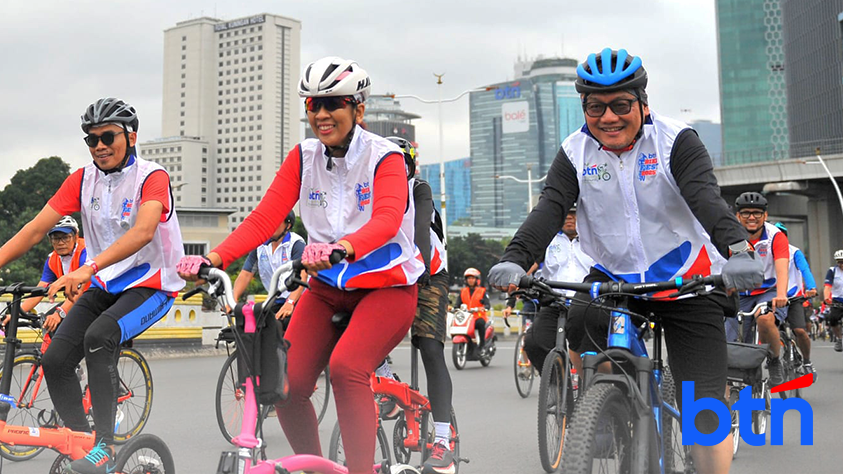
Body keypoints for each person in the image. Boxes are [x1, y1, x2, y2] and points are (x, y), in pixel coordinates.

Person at [488, 48, 763, 474]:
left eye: (621, 105)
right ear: (584, 109)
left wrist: (739, 251)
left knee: (704, 417)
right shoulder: (575, 152)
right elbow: (550, 208)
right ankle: (600, 408)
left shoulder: (676, 141)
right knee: (581, 320)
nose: (608, 118)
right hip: (614, 279)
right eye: (596, 107)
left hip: (687, 280)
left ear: (642, 103)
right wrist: (514, 259)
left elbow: (707, 200)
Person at [176, 57, 423, 474]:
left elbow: (386, 218)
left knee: (346, 370)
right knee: (286, 386)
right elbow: (263, 218)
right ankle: (317, 469)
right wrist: (213, 259)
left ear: (358, 109)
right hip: (326, 287)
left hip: (388, 286)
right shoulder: (304, 156)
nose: (322, 115)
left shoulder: (386, 157)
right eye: (313, 106)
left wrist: (343, 246)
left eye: (334, 104)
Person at [0, 97, 185, 474]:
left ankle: (105, 445)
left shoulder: (152, 177)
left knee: (99, 338)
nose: (99, 145)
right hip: (107, 283)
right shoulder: (83, 180)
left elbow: (144, 231)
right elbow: (35, 229)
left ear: (130, 137)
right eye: (91, 139)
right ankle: (81, 443)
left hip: (153, 285)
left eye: (107, 136)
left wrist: (89, 268)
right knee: (54, 360)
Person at [378, 136, 455, 474]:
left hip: (428, 274)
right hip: (390, 276)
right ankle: (386, 379)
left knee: (429, 347)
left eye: (400, 164)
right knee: (360, 331)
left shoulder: (418, 188)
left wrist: (421, 266)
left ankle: (442, 438)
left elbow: (421, 228)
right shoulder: (373, 191)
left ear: (409, 166)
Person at [521, 205, 594, 375]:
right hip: (554, 302)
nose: (569, 217)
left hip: (586, 304)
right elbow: (530, 262)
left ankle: (592, 387)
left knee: (590, 350)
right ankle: (557, 382)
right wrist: (515, 276)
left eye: (574, 213)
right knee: (533, 342)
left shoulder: (594, 239)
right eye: (565, 213)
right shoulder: (547, 240)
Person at [728, 192, 789, 387]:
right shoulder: (729, 235)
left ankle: (773, 359)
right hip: (739, 293)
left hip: (767, 291)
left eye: (757, 213)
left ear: (765, 215)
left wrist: (781, 294)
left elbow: (782, 266)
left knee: (764, 317)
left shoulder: (775, 237)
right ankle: (725, 408)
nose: (751, 217)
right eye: (746, 213)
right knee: (726, 349)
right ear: (738, 216)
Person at [1, 216, 88, 332]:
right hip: (76, 301)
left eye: (66, 238)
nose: (60, 243)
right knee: (48, 328)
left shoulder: (86, 252)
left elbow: (81, 290)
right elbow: (39, 291)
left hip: (96, 298)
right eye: (55, 238)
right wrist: (15, 314)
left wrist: (60, 313)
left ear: (76, 236)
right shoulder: (52, 259)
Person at [232, 210, 306, 321]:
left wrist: (290, 302)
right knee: (255, 324)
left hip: (299, 298)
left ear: (288, 225)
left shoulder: (296, 244)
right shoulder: (260, 246)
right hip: (276, 299)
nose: (270, 226)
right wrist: (233, 299)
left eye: (276, 222)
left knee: (286, 326)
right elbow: (246, 274)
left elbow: (303, 275)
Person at [772, 222, 817, 381]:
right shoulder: (766, 251)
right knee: (769, 331)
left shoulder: (794, 252)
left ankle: (806, 362)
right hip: (773, 298)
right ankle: (775, 361)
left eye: (782, 234)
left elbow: (805, 269)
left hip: (794, 298)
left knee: (800, 331)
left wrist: (811, 287)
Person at [459, 267, 491, 355]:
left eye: (472, 278)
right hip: (466, 318)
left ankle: (482, 346)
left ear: (477, 280)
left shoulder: (482, 291)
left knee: (480, 323)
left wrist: (484, 307)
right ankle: (469, 345)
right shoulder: (462, 291)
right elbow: (457, 304)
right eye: (469, 278)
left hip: (478, 316)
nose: (470, 280)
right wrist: (452, 308)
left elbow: (488, 304)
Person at [823, 249, 843, 352]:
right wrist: (827, 298)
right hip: (838, 300)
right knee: (832, 319)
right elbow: (827, 286)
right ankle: (839, 339)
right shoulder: (832, 271)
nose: (841, 264)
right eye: (839, 262)